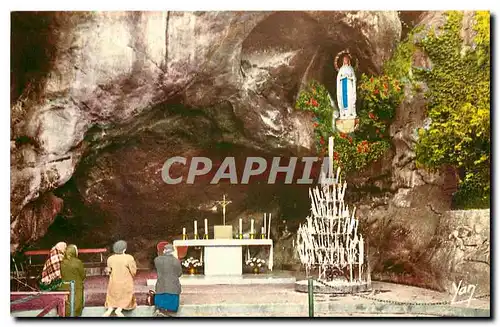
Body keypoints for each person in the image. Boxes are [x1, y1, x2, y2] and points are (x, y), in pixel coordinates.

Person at [103, 240, 137, 317]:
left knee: (112, 296)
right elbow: (133, 271)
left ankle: (110, 309)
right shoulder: (129, 258)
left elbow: (108, 271)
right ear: (124, 249)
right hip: (125, 282)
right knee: (125, 295)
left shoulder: (110, 258)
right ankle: (119, 309)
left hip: (114, 282)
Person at [153, 244, 182, 317]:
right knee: (172, 307)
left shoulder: (157, 260)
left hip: (160, 288)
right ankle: (168, 312)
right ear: (173, 252)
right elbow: (179, 273)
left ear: (164, 251)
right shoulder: (176, 261)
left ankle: (160, 310)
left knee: (160, 300)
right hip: (173, 290)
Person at [59, 244, 86, 317]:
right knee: (76, 305)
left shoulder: (62, 262)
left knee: (67, 305)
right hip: (77, 287)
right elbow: (83, 276)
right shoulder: (78, 262)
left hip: (65, 286)